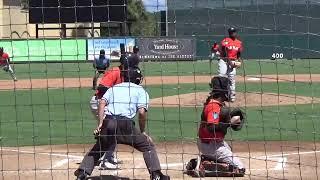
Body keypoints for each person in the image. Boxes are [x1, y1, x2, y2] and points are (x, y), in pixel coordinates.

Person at [75, 68, 170, 180]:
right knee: (147, 146)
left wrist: (101, 123)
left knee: (101, 146)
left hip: (108, 122)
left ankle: (82, 173)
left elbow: (102, 102)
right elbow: (142, 112)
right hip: (125, 124)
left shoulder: (114, 88)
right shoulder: (140, 90)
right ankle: (156, 175)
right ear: (138, 79)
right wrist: (143, 131)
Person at [186, 76, 245, 177]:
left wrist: (230, 120)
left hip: (210, 142)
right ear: (223, 91)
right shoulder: (214, 107)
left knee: (228, 148)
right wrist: (230, 123)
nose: (229, 90)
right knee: (239, 169)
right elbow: (211, 128)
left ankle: (199, 161)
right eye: (227, 87)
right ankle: (203, 165)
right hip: (211, 145)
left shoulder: (215, 103)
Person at [89, 54, 140, 170]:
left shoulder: (126, 73)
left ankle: (108, 156)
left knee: (113, 128)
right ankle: (106, 160)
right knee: (114, 128)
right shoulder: (115, 71)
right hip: (100, 102)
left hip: (106, 103)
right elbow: (101, 88)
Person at [218, 27, 243, 102]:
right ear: (229, 33)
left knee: (232, 79)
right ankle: (220, 95)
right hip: (224, 61)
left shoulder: (239, 42)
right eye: (231, 32)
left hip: (232, 61)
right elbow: (224, 52)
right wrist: (229, 62)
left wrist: (238, 60)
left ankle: (232, 96)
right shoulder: (226, 41)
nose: (233, 33)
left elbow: (238, 53)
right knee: (222, 76)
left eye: (234, 32)